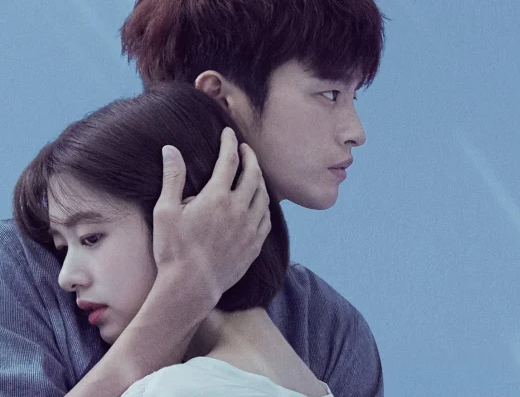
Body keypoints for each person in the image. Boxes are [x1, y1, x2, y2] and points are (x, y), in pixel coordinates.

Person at [0, 0, 386, 396]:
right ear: (217, 97)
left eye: (353, 96)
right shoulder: (21, 272)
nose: (356, 131)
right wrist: (184, 296)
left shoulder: (327, 327)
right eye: (330, 93)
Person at [15, 82, 331, 397]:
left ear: (197, 218)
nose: (66, 278)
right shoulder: (314, 387)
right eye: (62, 248)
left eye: (91, 238)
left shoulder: (175, 389)